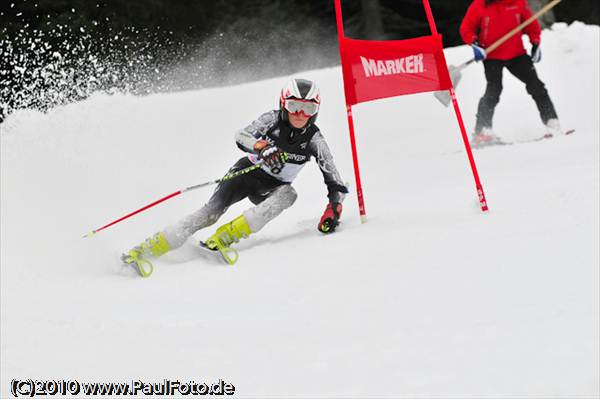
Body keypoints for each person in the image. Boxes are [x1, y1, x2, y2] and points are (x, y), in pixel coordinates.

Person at [121, 78, 348, 275]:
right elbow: (241, 135)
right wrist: (260, 146)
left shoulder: (315, 140)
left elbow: (333, 177)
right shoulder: (271, 120)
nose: (300, 114)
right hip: (245, 174)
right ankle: (146, 249)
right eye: (294, 105)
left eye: (308, 108)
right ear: (283, 104)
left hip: (271, 189)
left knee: (289, 194)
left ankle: (224, 237)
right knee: (210, 213)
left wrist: (334, 206)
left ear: (316, 111)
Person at [459, 0, 563, 146]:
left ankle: (552, 123)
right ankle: (481, 132)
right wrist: (474, 44)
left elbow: (531, 25)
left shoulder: (518, 2)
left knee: (536, 86)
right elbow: (466, 29)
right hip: (492, 56)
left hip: (516, 54)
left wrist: (535, 42)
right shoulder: (480, 4)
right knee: (493, 90)